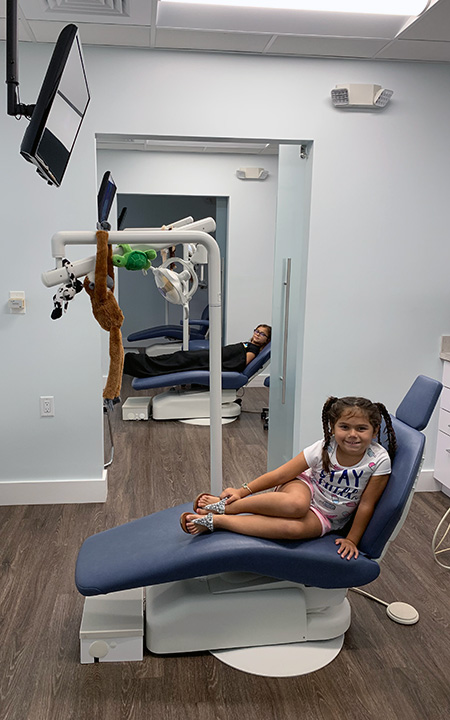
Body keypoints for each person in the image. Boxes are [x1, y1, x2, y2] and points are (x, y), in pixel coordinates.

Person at [180, 395, 397, 560]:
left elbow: (367, 504)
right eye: (344, 427)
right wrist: (241, 491)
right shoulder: (324, 447)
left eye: (361, 428)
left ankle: (218, 521)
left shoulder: (378, 460)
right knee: (296, 505)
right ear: (333, 427)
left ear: (375, 430)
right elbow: (283, 473)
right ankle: (226, 506)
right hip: (304, 487)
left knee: (291, 530)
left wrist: (352, 539)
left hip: (328, 516)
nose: (352, 434)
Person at [123, 324, 271, 378]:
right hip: (210, 356)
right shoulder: (248, 344)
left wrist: (214, 365)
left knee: (179, 359)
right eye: (257, 331)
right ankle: (137, 362)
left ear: (267, 340)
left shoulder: (253, 349)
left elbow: (240, 364)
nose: (257, 334)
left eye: (262, 334)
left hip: (209, 360)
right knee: (178, 357)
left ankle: (135, 364)